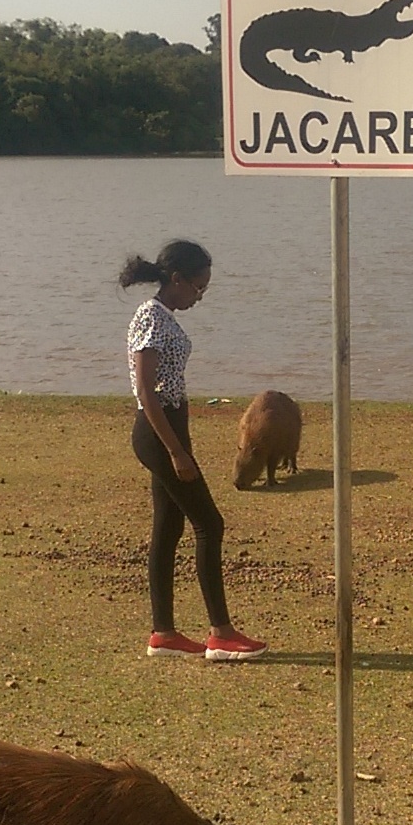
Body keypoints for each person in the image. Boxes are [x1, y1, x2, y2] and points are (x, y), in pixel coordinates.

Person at [120, 240, 267, 661]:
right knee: (209, 524)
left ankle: (163, 633)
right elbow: (148, 392)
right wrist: (177, 453)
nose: (199, 297)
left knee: (168, 528)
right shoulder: (151, 317)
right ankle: (221, 634)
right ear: (177, 280)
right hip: (158, 432)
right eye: (198, 288)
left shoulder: (160, 315)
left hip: (168, 430)